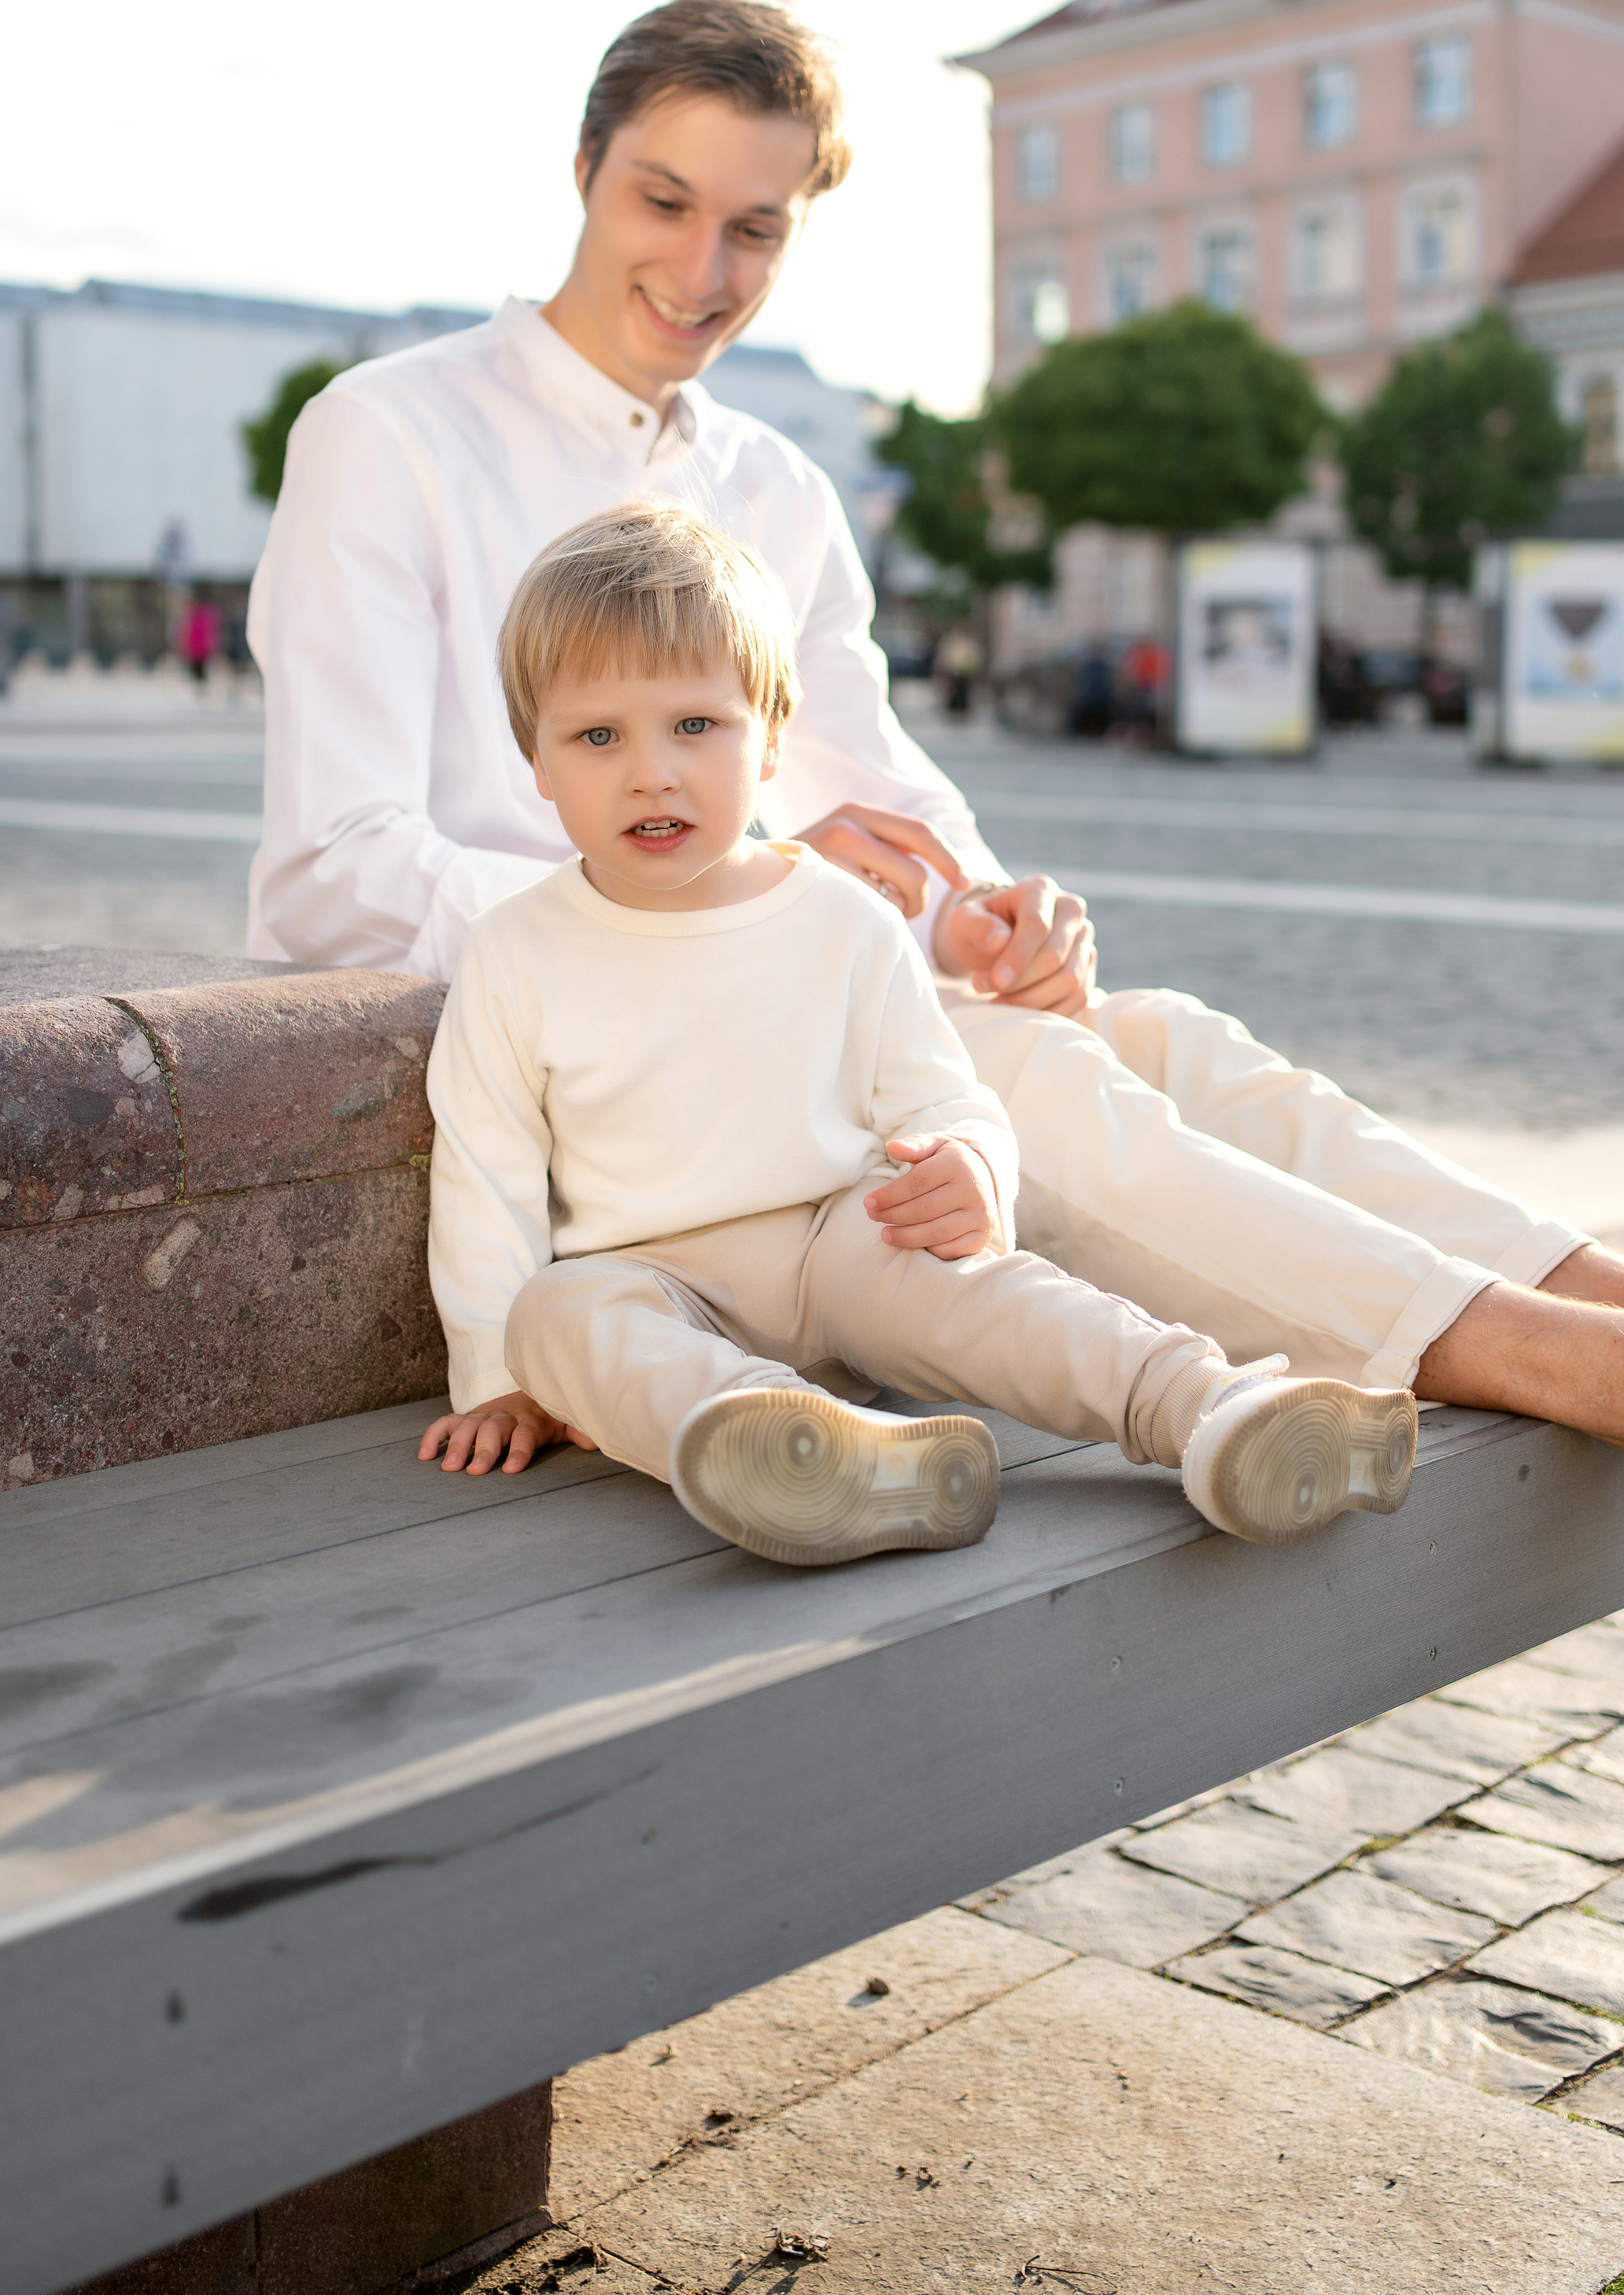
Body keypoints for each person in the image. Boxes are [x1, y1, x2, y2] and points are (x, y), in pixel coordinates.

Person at [250, 0, 1624, 1655]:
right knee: (1029, 1084)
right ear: (584, 170)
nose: (701, 273)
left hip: (794, 1026)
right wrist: (676, 892)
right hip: (605, 1075)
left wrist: (982, 907)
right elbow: (331, 871)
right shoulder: (391, 433)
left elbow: (878, 785)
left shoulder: (773, 486)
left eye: (753, 229)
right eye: (662, 204)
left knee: (1164, 1041)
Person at [418, 500, 1417, 1563]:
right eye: (597, 736)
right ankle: (814, 1455)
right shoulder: (514, 950)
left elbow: (939, 1093)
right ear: (535, 759)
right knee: (558, 1318)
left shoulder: (842, 917)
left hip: (844, 1247)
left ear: (771, 738)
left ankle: (1209, 1408)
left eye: (696, 726)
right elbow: (485, 1182)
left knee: (991, 1293)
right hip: (657, 1287)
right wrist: (497, 1380)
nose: (651, 771)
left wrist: (975, 1166)